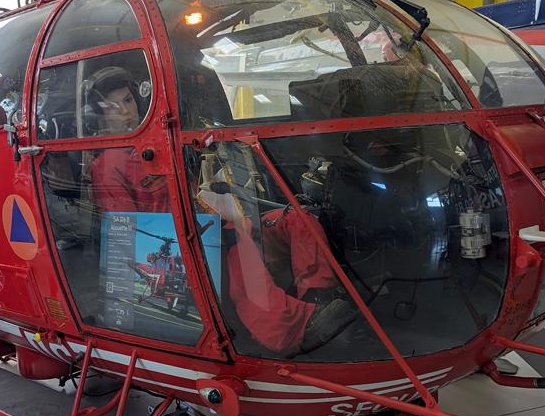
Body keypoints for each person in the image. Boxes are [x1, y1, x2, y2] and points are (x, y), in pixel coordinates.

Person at [85, 66, 354, 356]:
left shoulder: (156, 148)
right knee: (237, 247)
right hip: (189, 245)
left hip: (212, 225)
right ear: (98, 116)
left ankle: (319, 302)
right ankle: (289, 329)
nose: (126, 111)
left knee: (296, 219)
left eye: (128, 100)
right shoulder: (109, 165)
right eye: (114, 106)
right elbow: (127, 231)